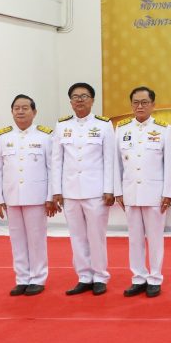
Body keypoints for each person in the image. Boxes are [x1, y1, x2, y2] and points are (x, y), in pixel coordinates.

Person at [52, 82, 115, 296]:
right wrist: (57, 190)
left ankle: (100, 276)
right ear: (70, 101)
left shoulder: (104, 125)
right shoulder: (62, 125)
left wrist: (109, 189)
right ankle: (84, 276)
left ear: (92, 100)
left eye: (84, 96)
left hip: (96, 191)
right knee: (77, 237)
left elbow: (109, 159)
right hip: (70, 191)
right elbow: (57, 160)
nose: (80, 100)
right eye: (75, 97)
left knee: (96, 236)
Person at [114, 86, 171, 298]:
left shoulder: (164, 129)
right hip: (131, 192)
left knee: (155, 238)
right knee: (135, 239)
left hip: (155, 194)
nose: (140, 106)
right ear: (131, 105)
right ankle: (138, 278)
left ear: (153, 105)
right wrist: (118, 191)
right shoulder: (122, 129)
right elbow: (116, 164)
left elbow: (169, 165)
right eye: (136, 102)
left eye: (144, 102)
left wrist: (168, 193)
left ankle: (155, 278)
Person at [0, 94, 56, 296]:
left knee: (36, 239)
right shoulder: (3, 137)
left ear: (34, 112)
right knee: (17, 240)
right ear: (12, 112)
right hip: (12, 197)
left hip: (36, 197)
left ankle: (37, 278)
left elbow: (52, 168)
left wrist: (50, 197)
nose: (20, 111)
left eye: (25, 108)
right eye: (16, 108)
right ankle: (22, 278)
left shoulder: (45, 136)